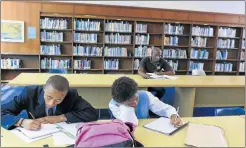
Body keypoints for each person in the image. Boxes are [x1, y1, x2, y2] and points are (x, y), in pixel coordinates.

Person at [1, 75, 98, 130]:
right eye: (49, 97)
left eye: (58, 100)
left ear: (65, 95)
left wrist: (60, 117)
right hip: (35, 133)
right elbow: (2, 111)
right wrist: (21, 122)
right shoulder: (29, 93)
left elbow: (92, 113)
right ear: (44, 89)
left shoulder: (71, 95)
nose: (51, 103)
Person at [109, 76, 183, 126]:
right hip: (127, 134)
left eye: (135, 96)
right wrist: (131, 107)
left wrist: (173, 115)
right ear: (120, 102)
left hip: (146, 128)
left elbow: (165, 109)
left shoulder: (145, 95)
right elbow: (129, 123)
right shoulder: (114, 104)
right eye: (129, 102)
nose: (134, 102)